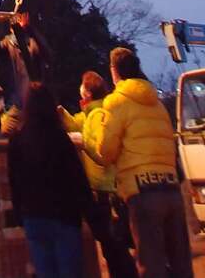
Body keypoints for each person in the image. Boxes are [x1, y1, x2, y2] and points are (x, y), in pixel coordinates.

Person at [86, 48, 193, 278]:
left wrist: (89, 140)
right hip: (171, 189)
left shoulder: (116, 102)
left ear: (115, 72)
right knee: (180, 262)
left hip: (142, 190)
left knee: (151, 262)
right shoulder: (157, 103)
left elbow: (106, 151)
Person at [7, 81, 94, 277]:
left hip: (34, 215)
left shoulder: (18, 140)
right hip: (63, 214)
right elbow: (76, 177)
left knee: (45, 271)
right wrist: (89, 212)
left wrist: (20, 213)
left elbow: (15, 181)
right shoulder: (59, 137)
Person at [60, 72, 137, 278]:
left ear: (87, 92)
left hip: (106, 190)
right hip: (104, 190)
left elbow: (102, 151)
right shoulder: (91, 113)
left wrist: (83, 142)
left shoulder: (98, 115)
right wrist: (62, 113)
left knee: (114, 247)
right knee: (112, 247)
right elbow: (77, 123)